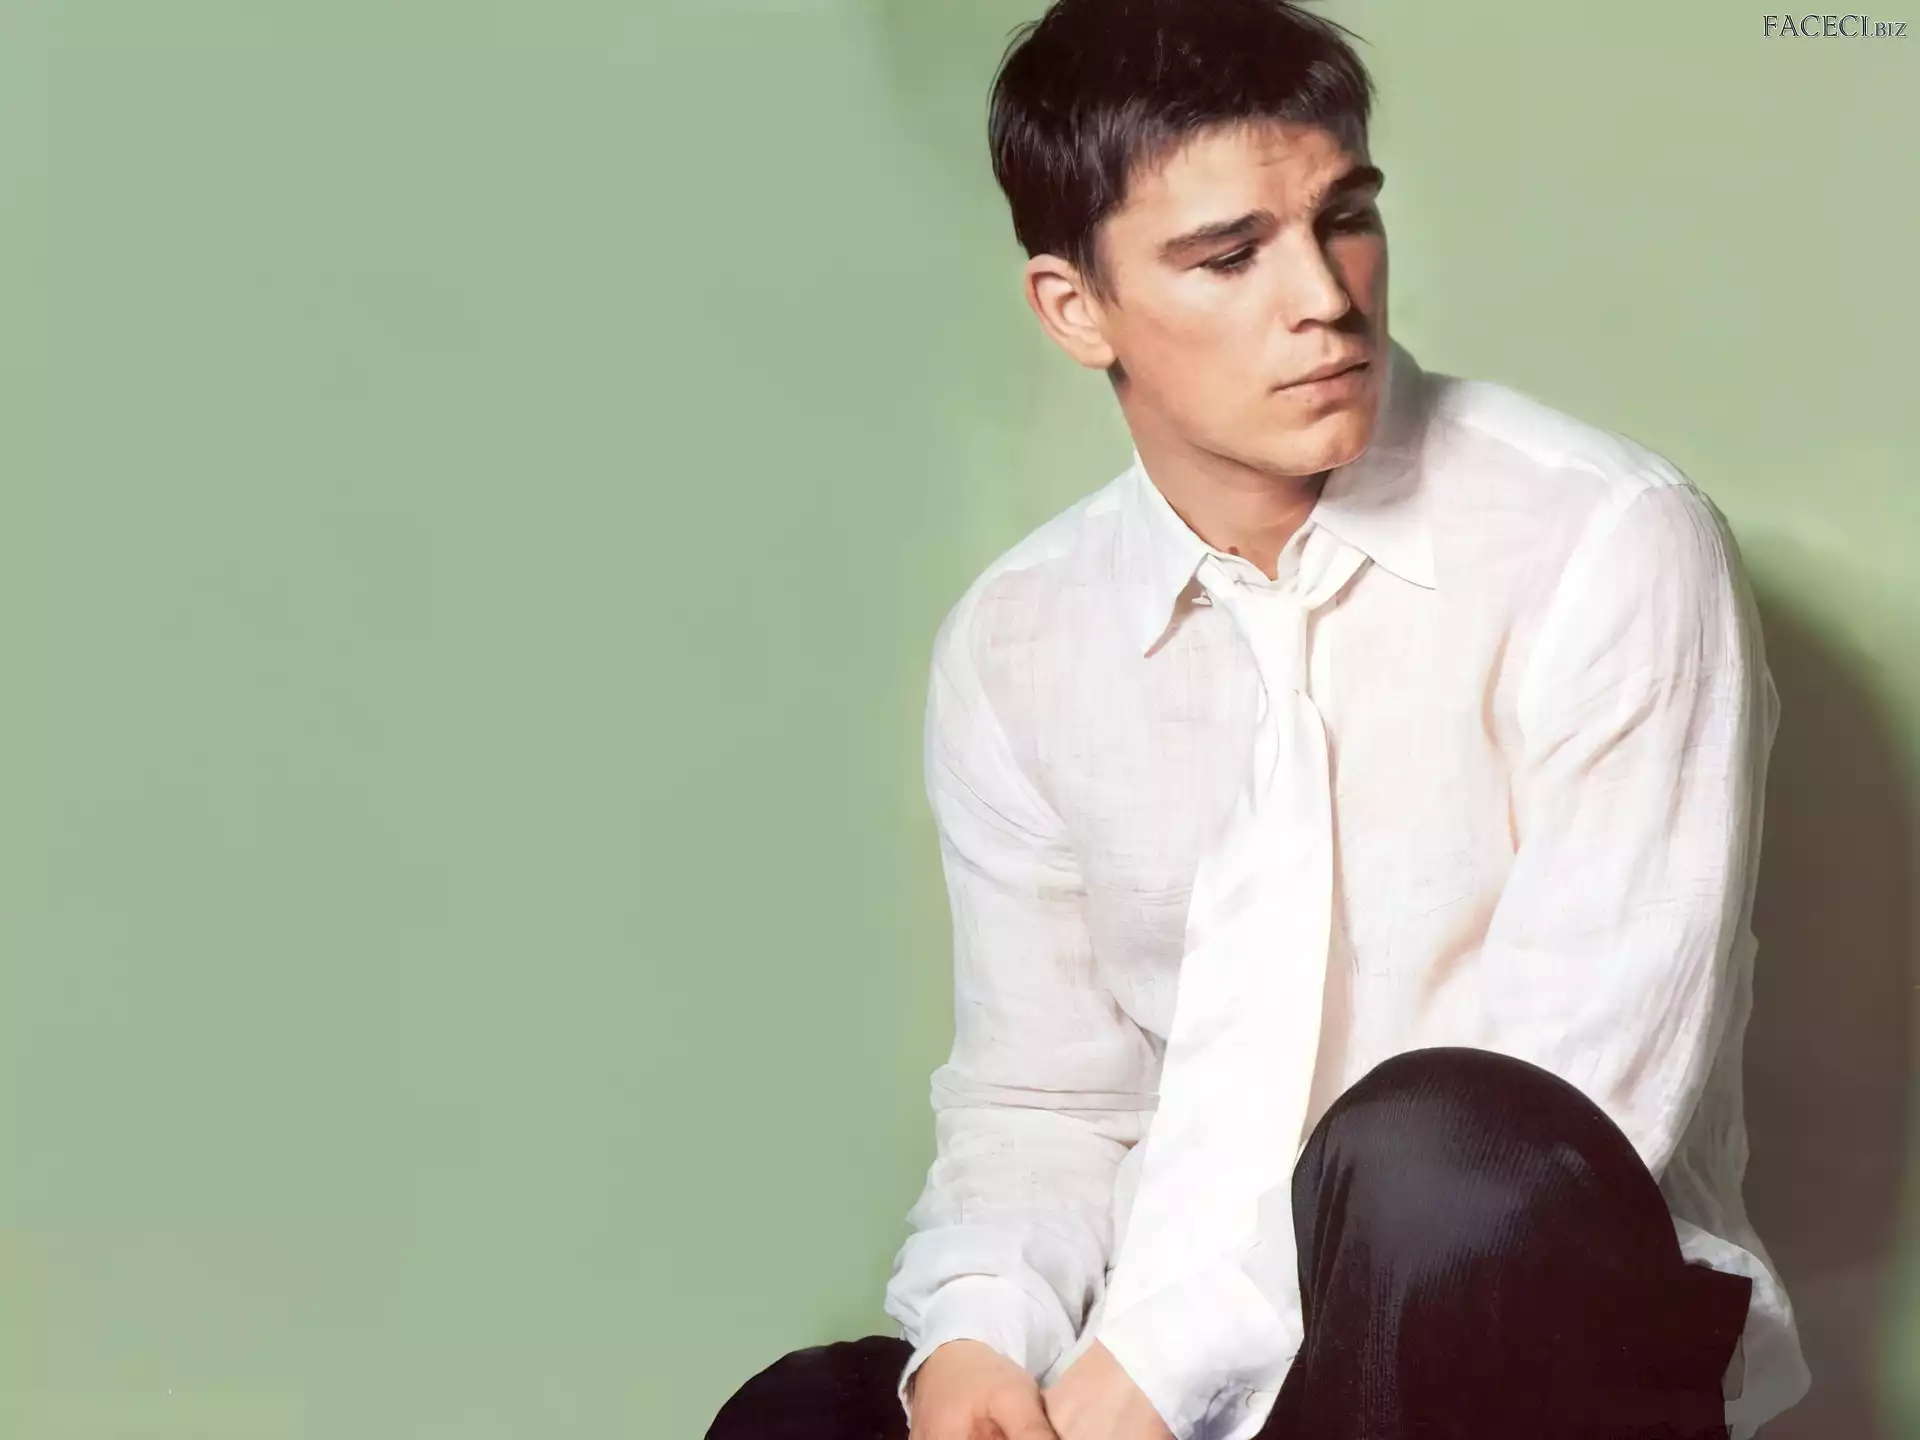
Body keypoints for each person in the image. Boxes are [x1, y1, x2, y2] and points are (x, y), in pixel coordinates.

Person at [708, 0, 1812, 1436]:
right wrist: (977, 1339)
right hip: (1165, 1349)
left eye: (1345, 219)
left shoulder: (1607, 544)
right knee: (806, 1414)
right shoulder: (1020, 637)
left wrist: (1162, 1369)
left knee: (1439, 1147)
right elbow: (1046, 1098)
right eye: (1229, 256)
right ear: (1075, 308)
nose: (1326, 299)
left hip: (1497, 1337)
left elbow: (1563, 1125)